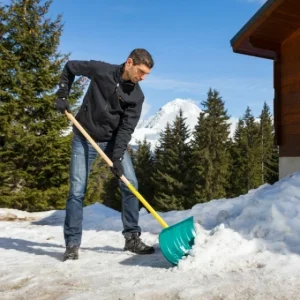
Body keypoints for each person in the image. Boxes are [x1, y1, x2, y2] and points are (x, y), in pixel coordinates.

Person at [54, 48, 155, 261]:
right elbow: (70, 67)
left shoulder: (137, 96)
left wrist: (117, 157)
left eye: (146, 74)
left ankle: (132, 238)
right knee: (77, 191)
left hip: (111, 141)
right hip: (84, 136)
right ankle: (72, 244)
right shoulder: (101, 70)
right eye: (141, 71)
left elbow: (126, 129)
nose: (143, 78)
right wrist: (63, 93)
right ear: (129, 62)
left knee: (130, 184)